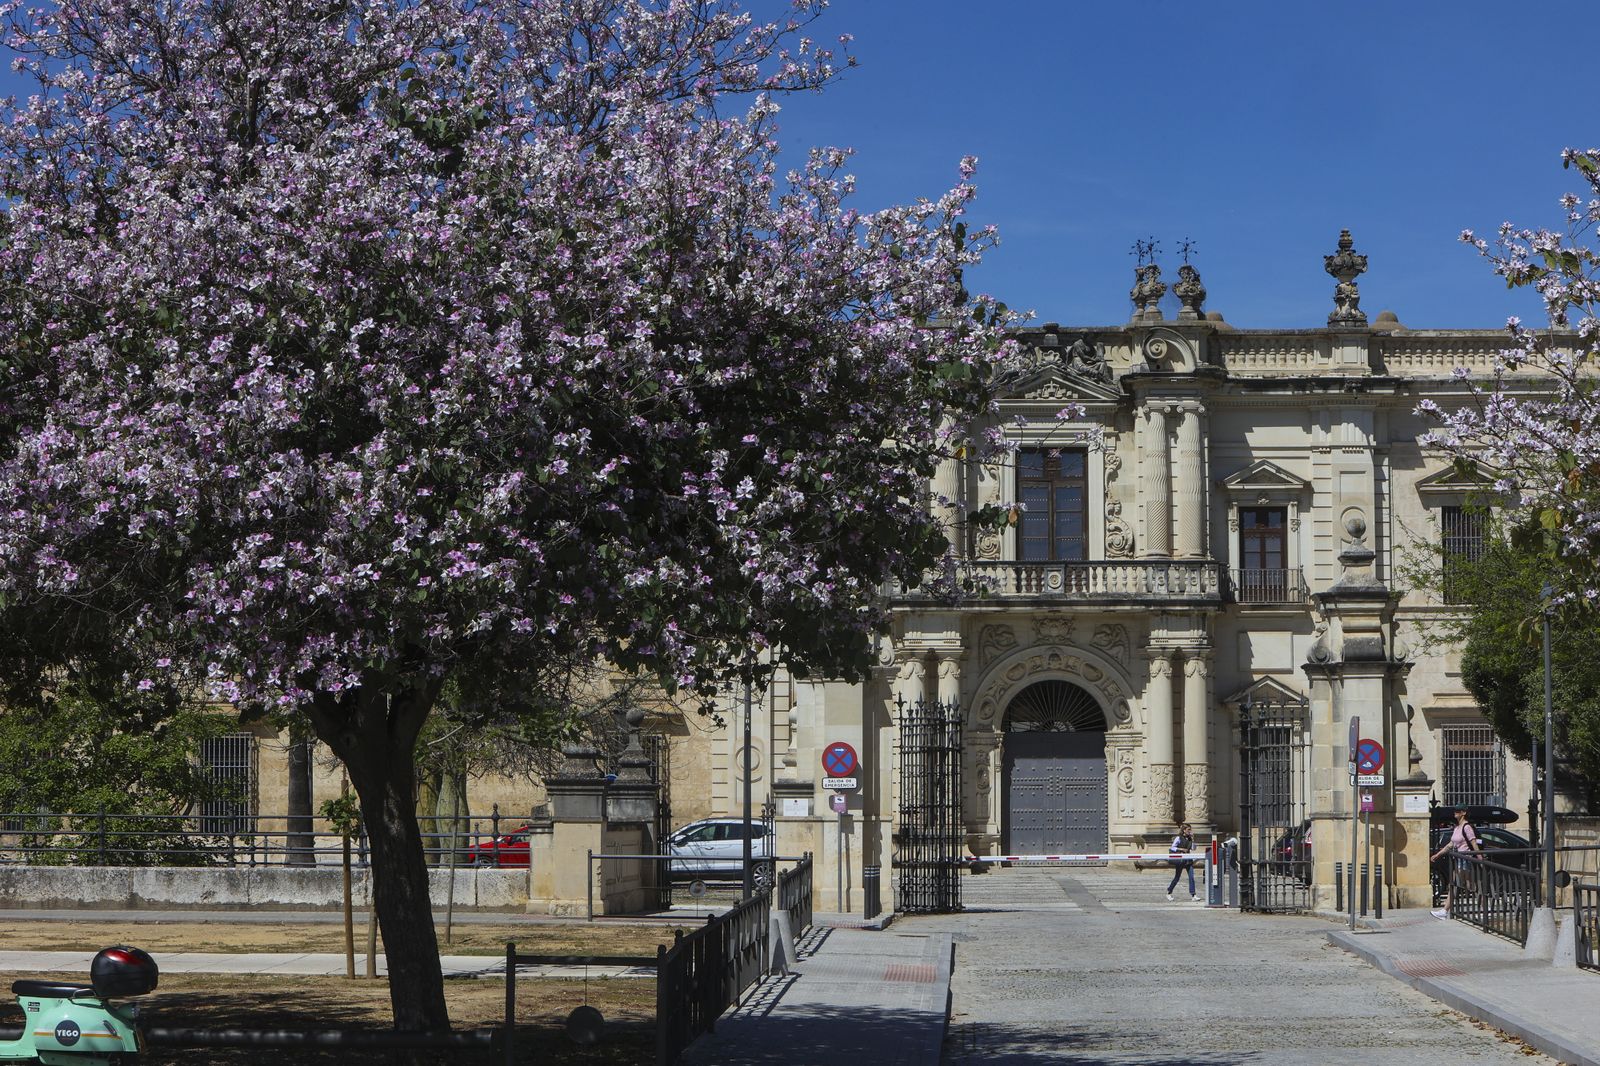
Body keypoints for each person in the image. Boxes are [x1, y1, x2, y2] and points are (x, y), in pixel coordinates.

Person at [1429, 806, 1482, 918]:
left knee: (1465, 885)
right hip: (1459, 860)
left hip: (1466, 860)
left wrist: (1480, 859)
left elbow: (1474, 844)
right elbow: (1451, 844)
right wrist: (1438, 854)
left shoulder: (1467, 827)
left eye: (1457, 811)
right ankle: (1484, 909)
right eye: (1455, 810)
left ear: (1463, 813)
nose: (1455, 813)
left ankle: (1445, 911)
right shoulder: (1457, 827)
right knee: (1464, 885)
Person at [1167, 823, 1197, 901]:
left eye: (1190, 829)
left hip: (1188, 860)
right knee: (1177, 877)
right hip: (1180, 860)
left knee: (1191, 877)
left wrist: (1193, 840)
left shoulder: (1190, 838)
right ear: (1184, 830)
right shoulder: (1179, 838)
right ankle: (1169, 892)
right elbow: (1172, 847)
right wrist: (1181, 849)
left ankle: (1193, 895)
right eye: (1188, 830)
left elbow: (1193, 848)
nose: (1190, 831)